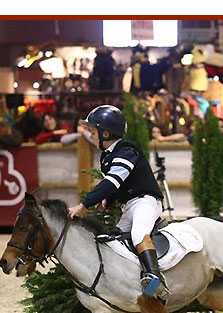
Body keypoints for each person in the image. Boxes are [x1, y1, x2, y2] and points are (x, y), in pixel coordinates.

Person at [67, 105, 167, 299]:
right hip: (129, 206)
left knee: (138, 233)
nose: (91, 136)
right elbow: (116, 186)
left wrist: (83, 205)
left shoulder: (126, 151)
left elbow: (112, 181)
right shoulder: (107, 156)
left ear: (106, 133)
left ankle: (155, 276)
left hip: (146, 202)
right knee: (114, 241)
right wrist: (107, 199)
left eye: (93, 132)